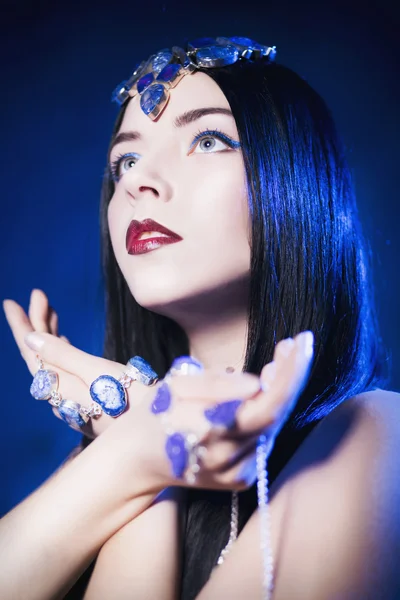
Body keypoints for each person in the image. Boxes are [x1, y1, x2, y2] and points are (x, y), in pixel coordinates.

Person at [1, 36, 399, 600]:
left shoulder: (372, 436)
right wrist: (139, 445)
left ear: (295, 181)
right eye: (126, 160)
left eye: (208, 139)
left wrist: (141, 448)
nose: (139, 181)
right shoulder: (116, 450)